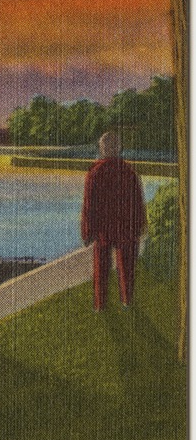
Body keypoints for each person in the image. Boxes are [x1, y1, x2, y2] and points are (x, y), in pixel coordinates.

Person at [81, 131, 146, 310]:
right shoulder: (129, 172)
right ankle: (127, 301)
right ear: (119, 149)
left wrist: (87, 232)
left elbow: (89, 206)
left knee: (101, 268)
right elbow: (138, 202)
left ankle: (100, 305)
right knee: (127, 267)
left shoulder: (95, 172)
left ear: (102, 149)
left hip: (104, 229)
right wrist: (140, 225)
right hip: (126, 228)